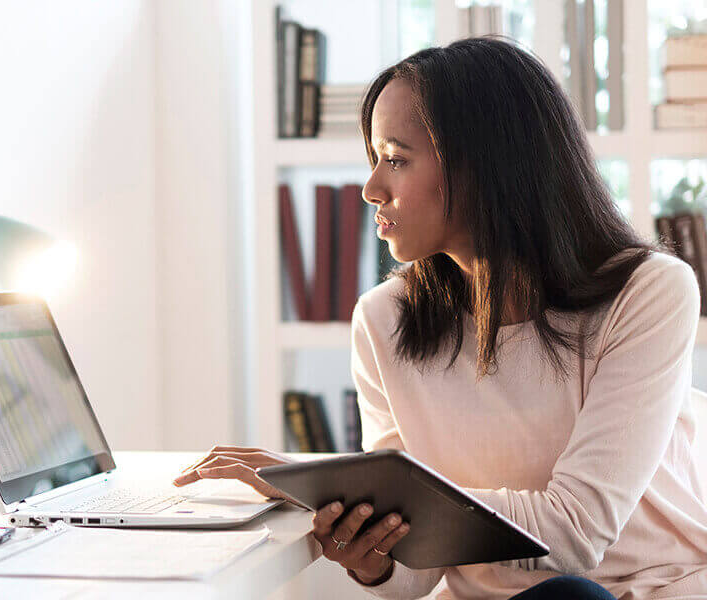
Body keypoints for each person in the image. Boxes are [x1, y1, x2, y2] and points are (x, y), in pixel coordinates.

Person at [173, 37, 707, 599]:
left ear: (486, 166)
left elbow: (575, 534)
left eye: (397, 159)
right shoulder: (384, 320)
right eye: (375, 158)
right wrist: (370, 551)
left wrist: (368, 490)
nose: (371, 188)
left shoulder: (647, 291)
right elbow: (414, 577)